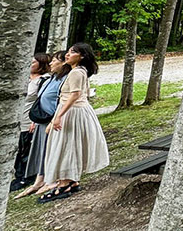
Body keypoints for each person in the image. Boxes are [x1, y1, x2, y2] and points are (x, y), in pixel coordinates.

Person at [39, 43, 109, 203]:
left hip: (71, 111)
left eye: (72, 52)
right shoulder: (78, 71)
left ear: (82, 56)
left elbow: (75, 94)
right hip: (74, 110)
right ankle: (71, 180)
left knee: (65, 145)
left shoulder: (77, 72)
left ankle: (64, 183)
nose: (68, 55)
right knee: (69, 145)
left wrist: (58, 116)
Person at [14, 51, 68, 199]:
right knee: (33, 149)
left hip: (48, 119)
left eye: (55, 61)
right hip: (37, 118)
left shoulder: (54, 79)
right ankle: (38, 178)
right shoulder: (50, 78)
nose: (51, 63)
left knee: (39, 148)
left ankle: (44, 178)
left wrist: (53, 119)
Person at [10, 54, 51, 191]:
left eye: (33, 62)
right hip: (17, 119)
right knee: (17, 149)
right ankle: (19, 175)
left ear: (41, 64)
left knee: (26, 149)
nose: (30, 64)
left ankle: (26, 177)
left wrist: (35, 121)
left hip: (30, 119)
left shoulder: (43, 80)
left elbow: (41, 101)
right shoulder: (24, 78)